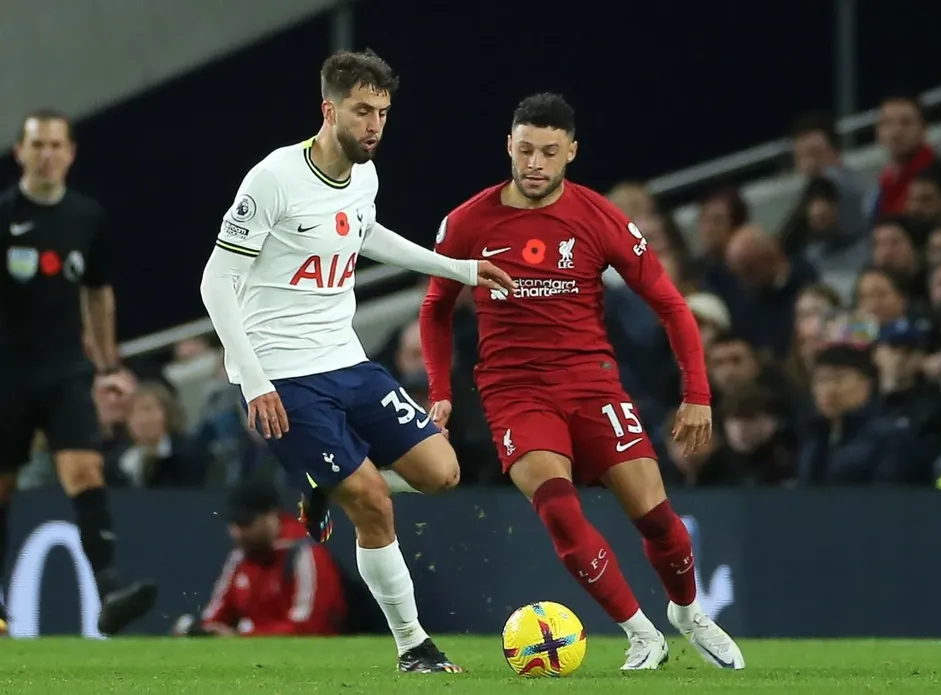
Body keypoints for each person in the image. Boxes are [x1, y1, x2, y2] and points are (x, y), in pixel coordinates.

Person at [198, 49, 512, 672]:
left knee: (442, 472)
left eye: (384, 113)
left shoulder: (364, 175)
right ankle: (414, 646)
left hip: (346, 359)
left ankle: (324, 485)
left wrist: (458, 269)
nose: (374, 125)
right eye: (362, 111)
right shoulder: (274, 178)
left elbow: (363, 232)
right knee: (373, 499)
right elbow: (215, 280)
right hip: (283, 373)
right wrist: (254, 379)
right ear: (329, 109)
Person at [419, 93, 745, 671]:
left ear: (571, 150)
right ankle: (641, 634)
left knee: (659, 522)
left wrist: (697, 393)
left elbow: (671, 305)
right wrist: (440, 391)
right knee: (561, 511)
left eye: (549, 151)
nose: (535, 164)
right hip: (514, 391)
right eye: (525, 150)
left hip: (592, 385)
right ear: (508, 147)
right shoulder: (468, 222)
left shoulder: (599, 217)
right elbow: (435, 307)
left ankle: (688, 613)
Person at [0, 110, 157, 636]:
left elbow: (97, 293)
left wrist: (108, 365)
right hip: (7, 370)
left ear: (70, 153)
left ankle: (110, 588)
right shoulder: (2, 215)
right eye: (36, 145)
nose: (46, 154)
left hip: (65, 367)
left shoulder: (86, 217)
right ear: (20, 152)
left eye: (55, 145)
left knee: (85, 471)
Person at [172, 480, 347, 637]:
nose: (238, 533)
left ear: (272, 515)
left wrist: (242, 636)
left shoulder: (303, 552)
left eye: (246, 523)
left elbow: (308, 627)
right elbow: (215, 616)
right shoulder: (239, 557)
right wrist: (204, 632)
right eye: (234, 524)